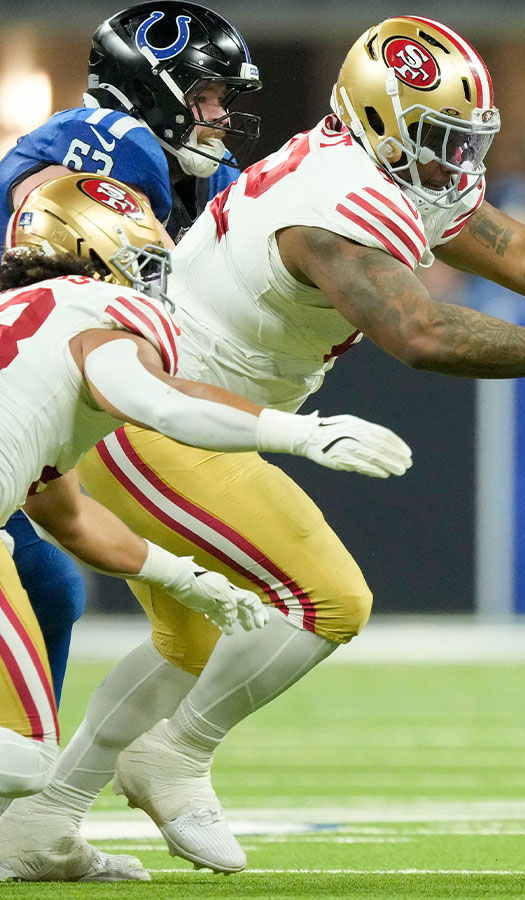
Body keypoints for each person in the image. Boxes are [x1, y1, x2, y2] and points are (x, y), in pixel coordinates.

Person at [0, 15, 525, 882]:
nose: (456, 158)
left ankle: (43, 825)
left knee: (193, 636)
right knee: (327, 598)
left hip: (185, 410)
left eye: (465, 137)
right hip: (154, 412)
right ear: (378, 122)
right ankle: (175, 750)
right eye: (438, 136)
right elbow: (420, 333)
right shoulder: (332, 200)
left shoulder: (387, 167)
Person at [0, 172, 413, 876]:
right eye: (142, 261)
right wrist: (301, 433)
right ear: (93, 255)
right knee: (23, 758)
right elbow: (162, 403)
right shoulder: (94, 310)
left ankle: (41, 829)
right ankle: (128, 777)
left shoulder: (27, 330)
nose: (155, 280)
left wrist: (188, 581)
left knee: (25, 750)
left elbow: (68, 517)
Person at [0, 0, 260, 719]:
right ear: (152, 89)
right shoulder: (109, 141)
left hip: (41, 392)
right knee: (47, 583)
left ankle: (29, 770)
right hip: (29, 378)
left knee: (51, 584)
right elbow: (53, 230)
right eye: (207, 95)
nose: (219, 115)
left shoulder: (196, 172)